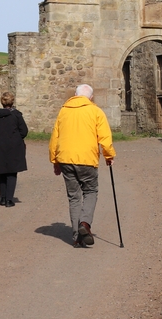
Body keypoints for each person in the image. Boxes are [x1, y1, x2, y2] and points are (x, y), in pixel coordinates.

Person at [49, 84, 116, 248]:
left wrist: (55, 160)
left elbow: (55, 138)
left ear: (75, 95)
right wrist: (109, 155)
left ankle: (76, 236)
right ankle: (85, 224)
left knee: (74, 197)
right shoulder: (95, 111)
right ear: (91, 97)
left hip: (65, 158)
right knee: (90, 191)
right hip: (87, 159)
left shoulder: (64, 111)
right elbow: (105, 137)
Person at [0, 92, 28, 207]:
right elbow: (24, 131)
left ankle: (2, 197)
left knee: (2, 171)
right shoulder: (16, 115)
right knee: (11, 172)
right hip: (13, 146)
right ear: (12, 102)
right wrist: (16, 138)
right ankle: (9, 199)